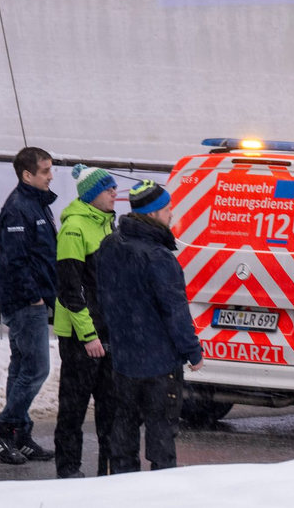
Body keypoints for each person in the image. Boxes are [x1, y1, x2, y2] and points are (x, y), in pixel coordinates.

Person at [97, 180, 203, 473]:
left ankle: (121, 489)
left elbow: (102, 297)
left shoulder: (109, 245)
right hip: (159, 363)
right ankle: (159, 496)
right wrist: (193, 352)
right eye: (168, 209)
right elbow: (175, 311)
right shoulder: (159, 256)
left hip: (123, 359)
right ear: (154, 213)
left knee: (123, 430)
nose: (171, 215)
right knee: (161, 439)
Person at [0, 147, 58, 465]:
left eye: (50, 169)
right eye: (45, 171)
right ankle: (3, 432)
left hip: (31, 300)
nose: (51, 176)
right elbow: (15, 259)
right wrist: (34, 296)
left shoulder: (37, 205)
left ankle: (20, 434)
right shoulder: (19, 208)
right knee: (37, 369)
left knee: (20, 370)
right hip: (25, 302)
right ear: (27, 175)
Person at [52, 164, 118, 478]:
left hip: (107, 331)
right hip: (82, 337)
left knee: (111, 409)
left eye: (114, 188)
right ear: (91, 195)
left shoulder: (108, 225)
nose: (114, 194)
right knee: (73, 409)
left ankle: (108, 473)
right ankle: (68, 472)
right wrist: (89, 336)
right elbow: (70, 289)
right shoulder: (74, 228)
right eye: (108, 189)